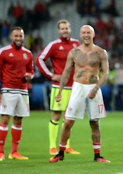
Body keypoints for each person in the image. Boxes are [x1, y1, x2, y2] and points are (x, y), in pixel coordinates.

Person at [49, 25, 110, 163]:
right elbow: (66, 72)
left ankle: (97, 155)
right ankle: (61, 153)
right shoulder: (74, 52)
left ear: (93, 34)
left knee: (94, 122)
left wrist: (96, 89)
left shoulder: (101, 52)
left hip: (94, 86)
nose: (86, 35)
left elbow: (105, 72)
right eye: (83, 32)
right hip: (78, 87)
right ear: (80, 35)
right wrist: (59, 91)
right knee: (68, 121)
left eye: (89, 32)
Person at [35, 19, 80, 155]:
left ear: (70, 29)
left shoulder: (76, 44)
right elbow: (39, 59)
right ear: (59, 31)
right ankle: (52, 146)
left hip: (73, 86)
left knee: (69, 117)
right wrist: (50, 75)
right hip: (58, 87)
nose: (65, 30)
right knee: (55, 115)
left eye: (66, 28)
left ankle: (66, 146)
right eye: (62, 28)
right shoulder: (54, 45)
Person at [0, 27, 34, 161]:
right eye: (16, 36)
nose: (18, 38)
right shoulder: (3, 52)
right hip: (7, 90)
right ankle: (0, 153)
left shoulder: (28, 53)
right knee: (5, 119)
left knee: (18, 120)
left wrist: (29, 76)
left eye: (20, 36)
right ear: (11, 37)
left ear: (23, 37)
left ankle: (14, 152)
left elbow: (31, 71)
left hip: (22, 90)